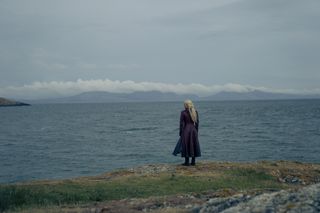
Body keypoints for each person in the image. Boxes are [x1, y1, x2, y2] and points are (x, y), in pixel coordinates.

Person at [179, 99, 201, 166]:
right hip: (193, 130)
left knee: (186, 145)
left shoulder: (183, 112)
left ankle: (187, 162)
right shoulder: (195, 111)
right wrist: (196, 131)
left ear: (185, 105)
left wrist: (181, 132)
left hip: (186, 130)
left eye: (184, 104)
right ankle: (193, 162)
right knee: (194, 144)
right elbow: (197, 123)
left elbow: (181, 124)